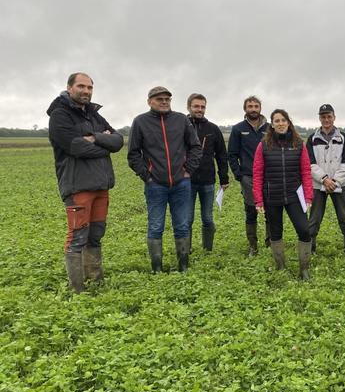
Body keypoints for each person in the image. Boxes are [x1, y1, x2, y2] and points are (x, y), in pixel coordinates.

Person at [47, 72, 124, 292]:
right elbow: (75, 147)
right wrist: (103, 144)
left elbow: (118, 141)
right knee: (78, 236)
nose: (86, 91)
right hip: (78, 185)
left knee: (96, 234)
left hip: (100, 185)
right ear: (69, 87)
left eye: (90, 88)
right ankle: (77, 288)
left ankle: (95, 279)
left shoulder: (94, 115)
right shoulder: (60, 115)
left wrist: (95, 138)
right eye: (81, 86)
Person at [127, 86, 202, 273]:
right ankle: (157, 269)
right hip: (156, 185)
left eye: (167, 99)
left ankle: (183, 266)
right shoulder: (140, 122)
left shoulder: (181, 120)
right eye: (159, 99)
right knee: (155, 226)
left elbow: (195, 147)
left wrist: (188, 171)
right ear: (149, 101)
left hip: (181, 183)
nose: (164, 102)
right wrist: (147, 175)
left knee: (183, 225)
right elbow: (133, 154)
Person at [253, 109, 314, 280]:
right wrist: (258, 200)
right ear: (272, 125)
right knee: (275, 232)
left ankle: (304, 269)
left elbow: (306, 172)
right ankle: (280, 267)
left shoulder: (298, 144)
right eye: (276, 121)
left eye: (283, 120)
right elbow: (257, 173)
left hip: (294, 195)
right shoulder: (264, 145)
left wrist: (308, 196)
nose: (280, 123)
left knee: (304, 230)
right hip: (272, 196)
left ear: (288, 122)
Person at [307, 104, 345, 253]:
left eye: (329, 116)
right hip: (318, 184)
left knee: (344, 216)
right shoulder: (312, 139)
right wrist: (325, 179)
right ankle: (311, 247)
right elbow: (310, 163)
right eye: (323, 116)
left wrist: (334, 182)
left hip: (339, 184)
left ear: (334, 117)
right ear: (319, 118)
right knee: (314, 218)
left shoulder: (343, 138)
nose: (326, 119)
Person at [186, 93, 229, 251]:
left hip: (207, 181)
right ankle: (186, 250)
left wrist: (224, 178)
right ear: (189, 107)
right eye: (196, 106)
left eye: (202, 107)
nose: (200, 109)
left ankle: (207, 250)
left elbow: (222, 155)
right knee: (187, 219)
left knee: (207, 218)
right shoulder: (182, 126)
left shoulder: (213, 129)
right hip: (186, 181)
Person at [228, 96, 269, 255]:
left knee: (270, 211)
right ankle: (253, 246)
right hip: (249, 178)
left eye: (256, 106)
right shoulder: (238, 129)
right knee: (251, 211)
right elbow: (232, 154)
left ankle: (270, 243)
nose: (253, 109)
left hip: (269, 177)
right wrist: (239, 175)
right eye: (250, 106)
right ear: (245, 109)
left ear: (260, 108)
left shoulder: (269, 128)